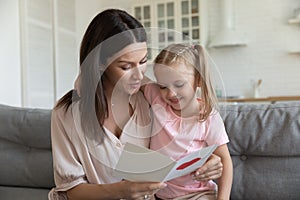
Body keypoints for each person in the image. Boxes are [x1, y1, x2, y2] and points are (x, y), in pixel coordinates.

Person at [49, 9, 223, 200]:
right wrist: (121, 190)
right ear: (99, 63)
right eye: (126, 66)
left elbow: (185, 135)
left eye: (143, 61)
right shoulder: (66, 114)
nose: (139, 75)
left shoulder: (152, 97)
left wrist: (206, 160)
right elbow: (70, 189)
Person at [143, 44, 233, 200]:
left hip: (197, 193)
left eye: (179, 84)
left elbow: (225, 159)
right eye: (163, 86)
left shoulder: (208, 117)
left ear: (198, 80)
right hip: (160, 193)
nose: (170, 93)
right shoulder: (156, 96)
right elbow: (132, 77)